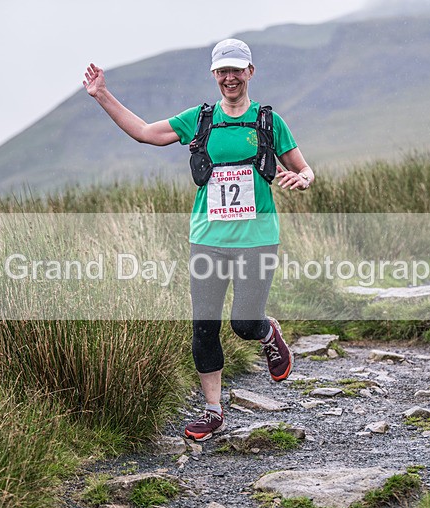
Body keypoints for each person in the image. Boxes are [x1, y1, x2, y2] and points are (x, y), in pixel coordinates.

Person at [83, 38, 314, 442]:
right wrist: (102, 94)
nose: (230, 77)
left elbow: (306, 169)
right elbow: (144, 133)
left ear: (250, 73)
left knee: (243, 323)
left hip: (257, 238)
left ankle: (266, 332)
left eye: (237, 70)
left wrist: (302, 178)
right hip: (206, 238)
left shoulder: (269, 121)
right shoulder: (200, 119)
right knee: (203, 327)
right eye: (222, 70)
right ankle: (213, 410)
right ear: (214, 75)